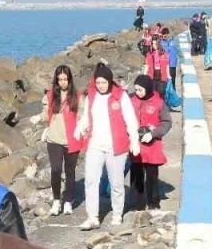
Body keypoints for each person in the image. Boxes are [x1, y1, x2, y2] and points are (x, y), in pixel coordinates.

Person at [72, 62, 141, 229]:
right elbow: (86, 116)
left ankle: (117, 214)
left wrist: (134, 139)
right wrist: (80, 127)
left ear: (110, 81)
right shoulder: (91, 95)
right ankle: (92, 217)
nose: (101, 86)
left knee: (116, 183)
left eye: (104, 82)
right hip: (95, 144)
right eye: (98, 82)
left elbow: (130, 119)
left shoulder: (120, 96)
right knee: (91, 181)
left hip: (116, 146)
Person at [41, 65, 85, 216]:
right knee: (55, 170)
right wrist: (40, 121)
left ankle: (68, 201)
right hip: (54, 139)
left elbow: (82, 117)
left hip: (72, 140)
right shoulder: (50, 95)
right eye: (60, 80)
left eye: (65, 79)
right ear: (56, 80)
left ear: (70, 79)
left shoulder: (78, 96)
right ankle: (56, 200)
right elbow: (45, 113)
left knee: (70, 172)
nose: (63, 83)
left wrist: (81, 132)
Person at [130, 75, 174, 213]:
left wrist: (153, 133)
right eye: (136, 89)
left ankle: (154, 202)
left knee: (152, 176)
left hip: (152, 145)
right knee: (136, 175)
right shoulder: (131, 101)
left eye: (140, 90)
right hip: (136, 145)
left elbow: (166, 122)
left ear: (148, 89)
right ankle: (137, 204)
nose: (137, 93)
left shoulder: (158, 102)